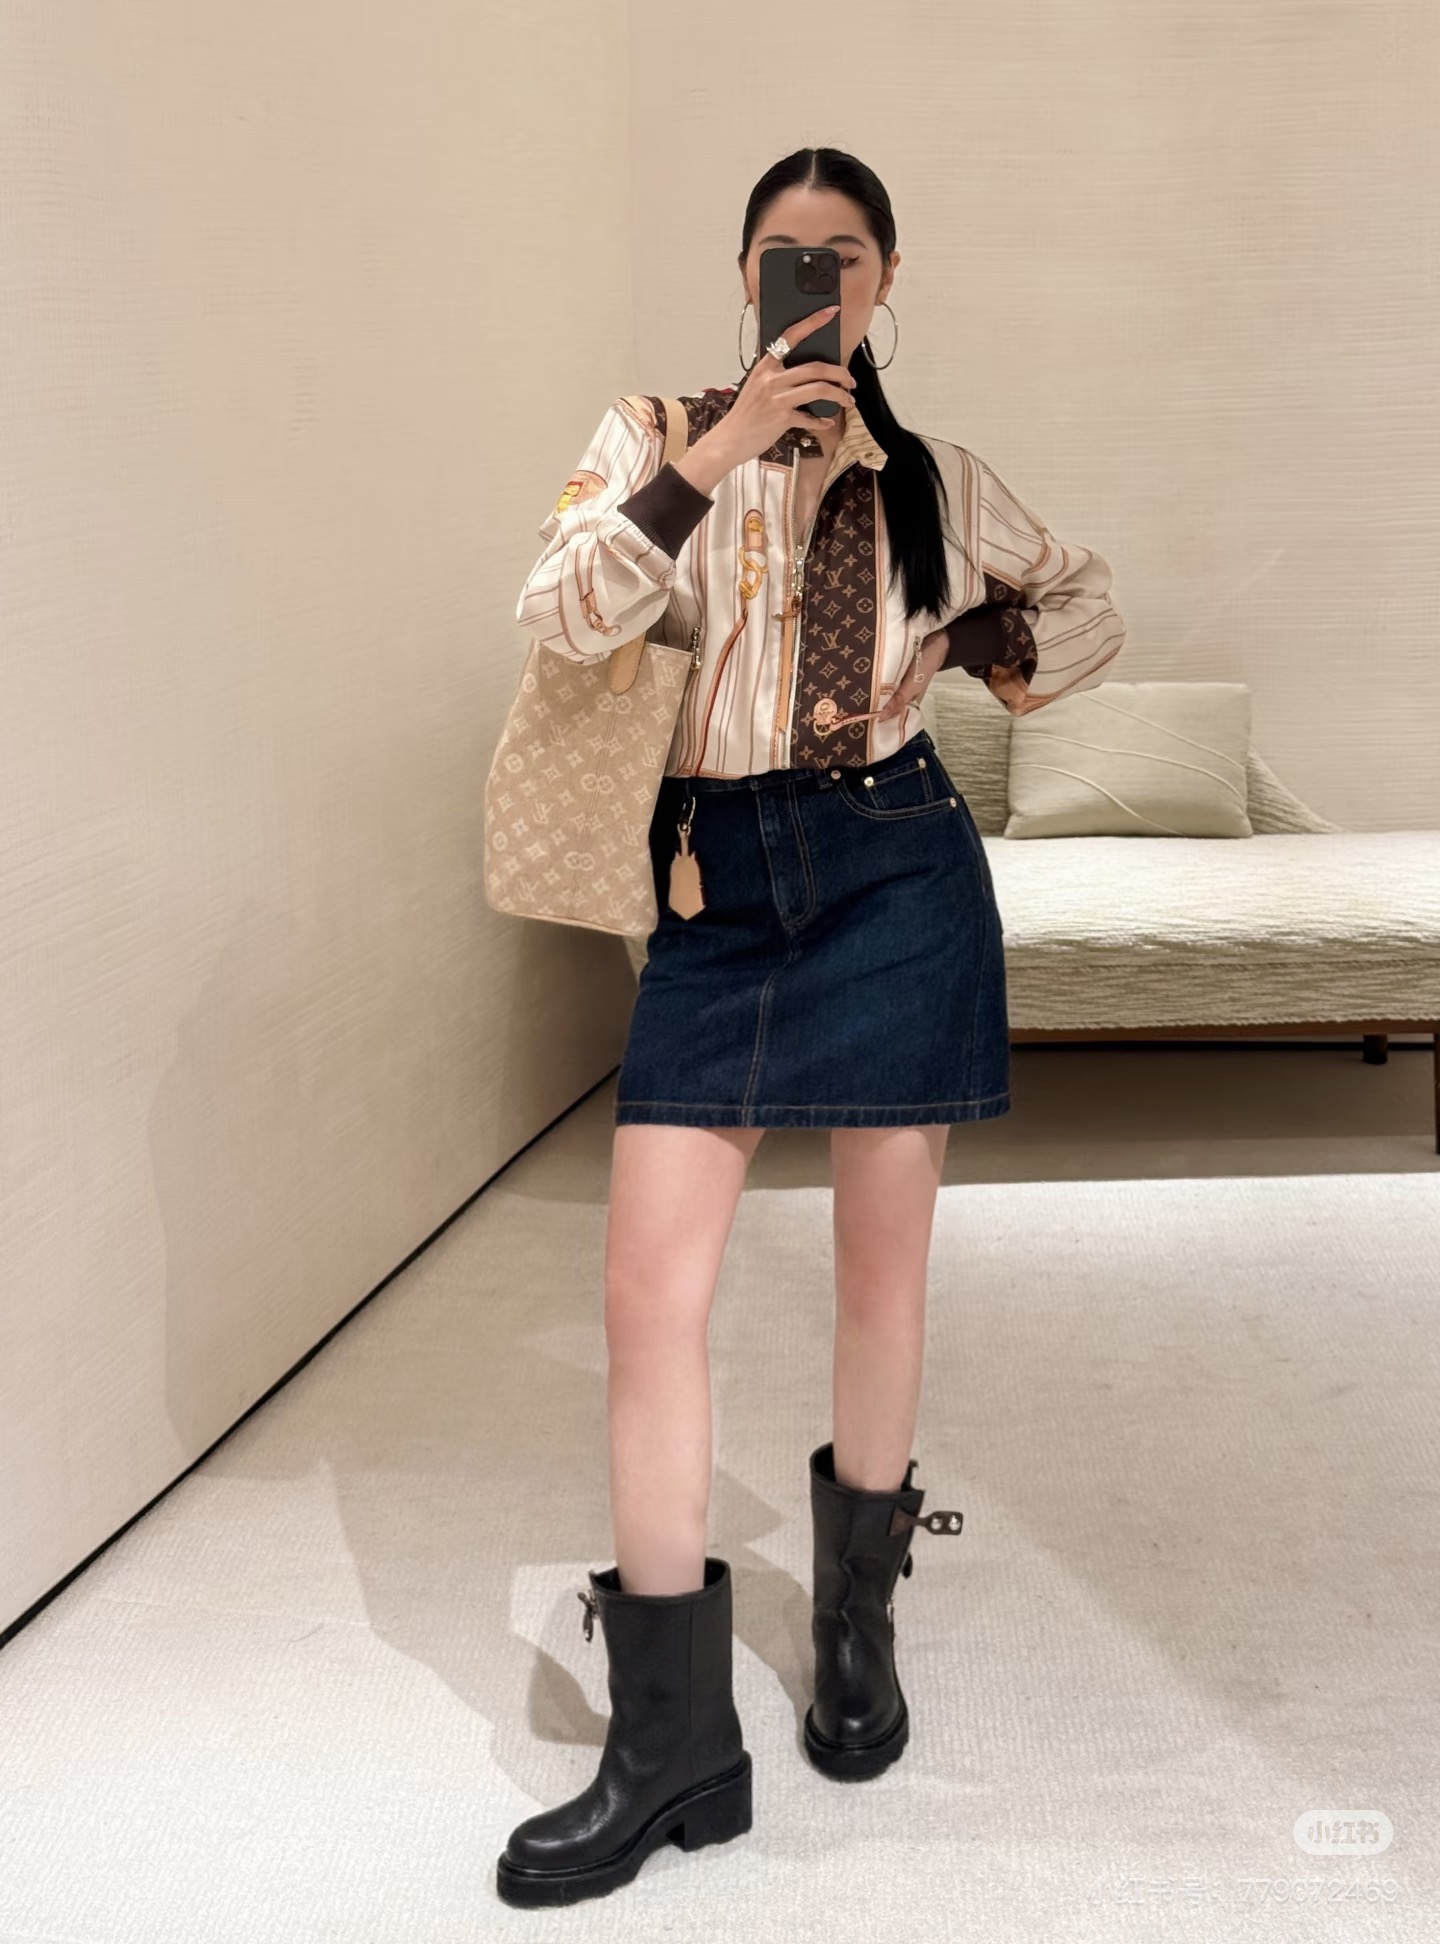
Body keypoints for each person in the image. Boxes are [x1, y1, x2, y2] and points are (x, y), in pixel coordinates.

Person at [496, 146, 1126, 1908]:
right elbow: (559, 612)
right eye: (784, 255)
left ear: (886, 280)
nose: (815, 281)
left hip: (896, 869)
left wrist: (974, 643)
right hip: (719, 886)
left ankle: (857, 1621)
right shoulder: (652, 436)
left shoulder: (938, 478)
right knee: (647, 1290)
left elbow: (1091, 606)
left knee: (878, 1269)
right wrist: (714, 458)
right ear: (745, 277)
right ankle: (672, 1745)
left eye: (843, 257)